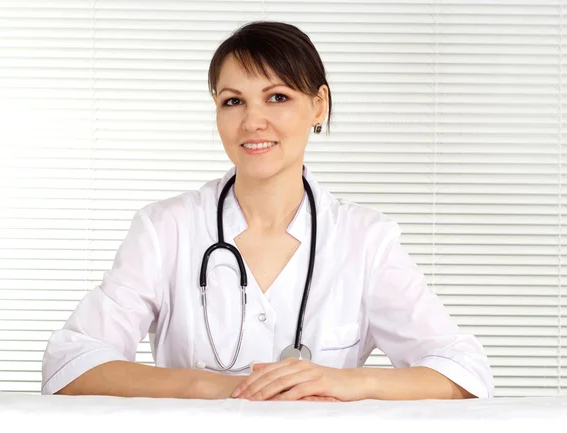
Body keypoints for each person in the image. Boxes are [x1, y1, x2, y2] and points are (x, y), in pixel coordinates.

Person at [41, 20, 494, 402]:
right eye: (233, 101)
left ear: (319, 105)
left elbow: (464, 370)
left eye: (277, 97)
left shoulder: (364, 240)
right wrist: (212, 386)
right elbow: (71, 363)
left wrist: (347, 382)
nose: (252, 121)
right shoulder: (167, 228)